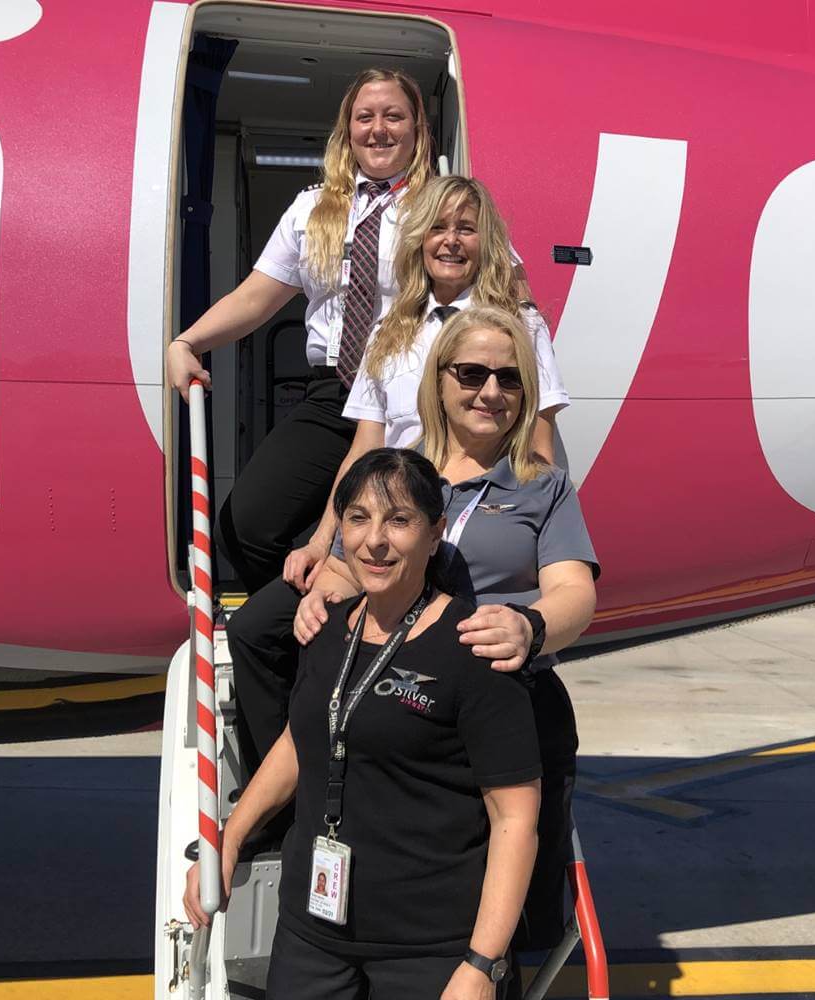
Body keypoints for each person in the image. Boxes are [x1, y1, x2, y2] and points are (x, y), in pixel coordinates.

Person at [228, 179, 567, 795]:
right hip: (389, 523)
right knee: (261, 630)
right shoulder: (392, 328)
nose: (451, 241)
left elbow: (539, 446)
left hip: (466, 516)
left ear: (486, 243)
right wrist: (325, 545)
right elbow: (364, 448)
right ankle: (294, 792)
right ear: (418, 241)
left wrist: (533, 532)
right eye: (439, 228)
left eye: (466, 229)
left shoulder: (516, 325)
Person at [184, 448, 543, 1000]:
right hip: (313, 935)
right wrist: (229, 838)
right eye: (358, 518)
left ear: (434, 532)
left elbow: (515, 819)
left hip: (429, 950)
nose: (374, 540)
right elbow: (299, 744)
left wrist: (480, 965)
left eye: (399, 520)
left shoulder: (474, 651)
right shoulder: (326, 630)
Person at [296, 306, 598, 954]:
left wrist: (531, 625)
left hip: (509, 704)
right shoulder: (403, 473)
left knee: (511, 920)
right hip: (408, 711)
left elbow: (576, 592)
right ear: (439, 381)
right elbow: (354, 562)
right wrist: (322, 594)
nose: (492, 391)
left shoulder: (543, 487)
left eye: (511, 378)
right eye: (472, 373)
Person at [166, 68, 433, 593]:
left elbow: (501, 283)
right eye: (365, 117)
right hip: (333, 393)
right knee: (246, 527)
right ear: (348, 130)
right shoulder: (313, 208)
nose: (378, 129)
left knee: (383, 534)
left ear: (417, 129)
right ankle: (313, 629)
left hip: (407, 394)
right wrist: (188, 341)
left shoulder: (441, 205)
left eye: (394, 116)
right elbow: (256, 296)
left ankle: (362, 630)